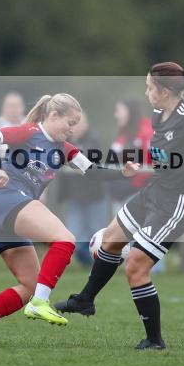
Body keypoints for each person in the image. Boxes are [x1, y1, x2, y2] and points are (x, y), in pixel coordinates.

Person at [55, 63, 184, 350]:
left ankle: (154, 340)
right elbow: (167, 151)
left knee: (136, 267)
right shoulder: (158, 115)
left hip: (176, 202)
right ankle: (85, 300)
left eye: (149, 87)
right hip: (153, 191)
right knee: (109, 241)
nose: (146, 92)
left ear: (165, 91)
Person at [0, 94, 139, 348]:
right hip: (4, 198)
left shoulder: (65, 150)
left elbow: (93, 172)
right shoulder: (31, 131)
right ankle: (41, 303)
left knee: (29, 285)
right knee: (65, 239)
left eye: (76, 125)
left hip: (3, 212)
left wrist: (122, 173)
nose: (72, 129)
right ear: (53, 116)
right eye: (70, 123)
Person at [57, 114, 110, 267]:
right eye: (75, 124)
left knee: (98, 237)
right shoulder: (65, 141)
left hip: (95, 198)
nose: (78, 127)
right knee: (75, 239)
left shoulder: (93, 139)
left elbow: (87, 160)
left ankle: (102, 267)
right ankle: (89, 265)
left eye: (81, 123)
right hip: (75, 199)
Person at [106, 99, 153, 204]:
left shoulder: (146, 130)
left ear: (130, 111)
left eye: (119, 111)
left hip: (136, 194)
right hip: (119, 196)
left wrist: (135, 185)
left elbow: (151, 163)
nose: (116, 115)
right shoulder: (124, 134)